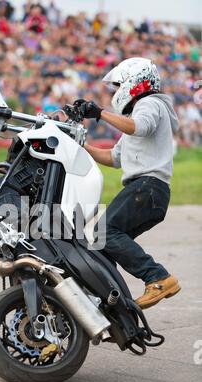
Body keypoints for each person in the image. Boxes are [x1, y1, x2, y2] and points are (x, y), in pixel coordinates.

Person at [77, 57, 181, 309]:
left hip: (146, 187)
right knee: (101, 243)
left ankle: (157, 277)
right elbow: (113, 158)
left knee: (102, 232)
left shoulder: (150, 103)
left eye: (118, 85)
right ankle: (110, 299)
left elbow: (140, 127)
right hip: (148, 191)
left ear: (134, 83)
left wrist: (100, 113)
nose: (116, 92)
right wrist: (80, 147)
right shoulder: (138, 114)